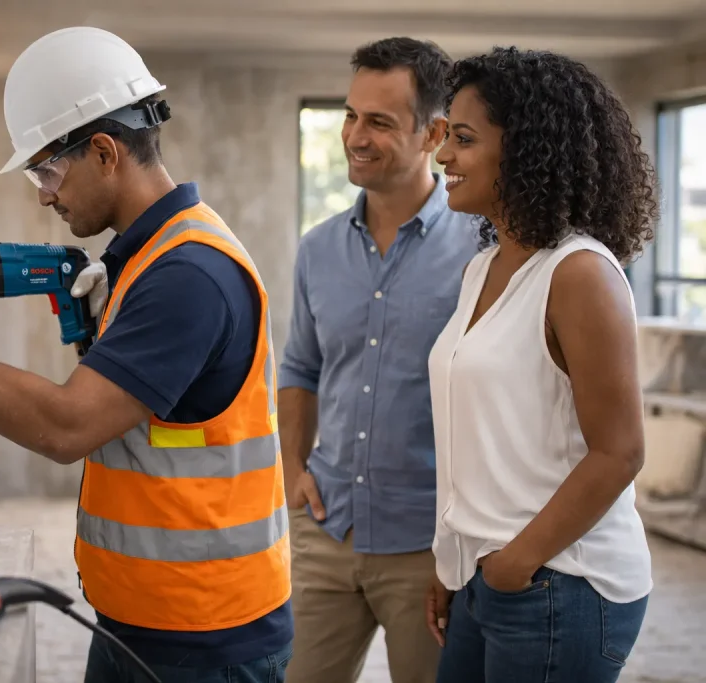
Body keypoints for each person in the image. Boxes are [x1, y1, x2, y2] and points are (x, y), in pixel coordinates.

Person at [0, 26, 293, 683]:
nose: (44, 194)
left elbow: (66, 426)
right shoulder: (155, 256)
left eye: (47, 169)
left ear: (104, 152)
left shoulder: (187, 275)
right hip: (144, 619)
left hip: (204, 638)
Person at [426, 46, 657, 683]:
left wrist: (516, 563)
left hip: (559, 582)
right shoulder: (482, 269)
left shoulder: (579, 274)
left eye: (463, 139)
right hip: (485, 572)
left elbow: (619, 452)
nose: (443, 156)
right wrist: (454, 559)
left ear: (527, 150)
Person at [278, 37, 479, 683]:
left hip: (429, 544)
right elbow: (300, 368)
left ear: (434, 134)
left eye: (380, 122)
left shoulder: (484, 250)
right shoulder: (317, 250)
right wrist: (292, 470)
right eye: (350, 115)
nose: (355, 137)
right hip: (326, 526)